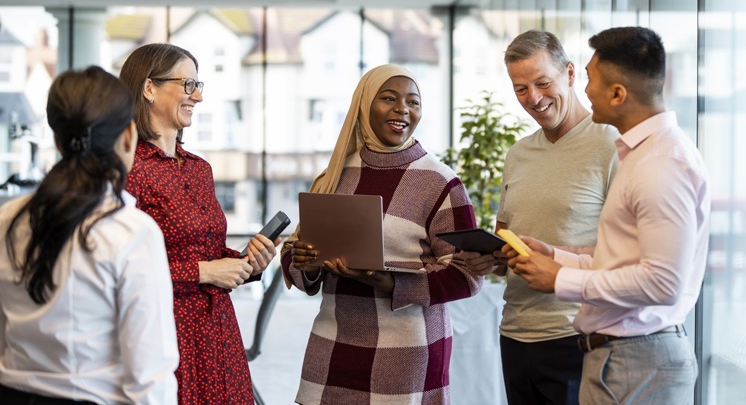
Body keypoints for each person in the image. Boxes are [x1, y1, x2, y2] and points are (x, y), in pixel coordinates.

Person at [507, 26, 710, 405]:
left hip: (637, 359)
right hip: (621, 357)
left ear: (618, 93)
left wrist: (563, 279)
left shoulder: (661, 164)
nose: (584, 91)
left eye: (590, 79)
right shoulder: (642, 155)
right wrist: (558, 258)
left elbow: (663, 284)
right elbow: (624, 260)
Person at [281, 64, 484, 404]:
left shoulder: (440, 182)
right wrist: (307, 263)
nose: (402, 108)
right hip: (332, 345)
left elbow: (468, 273)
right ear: (363, 105)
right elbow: (295, 259)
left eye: (413, 101)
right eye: (388, 98)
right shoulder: (334, 175)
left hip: (406, 353)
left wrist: (392, 284)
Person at [458, 30, 619, 405]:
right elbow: (507, 244)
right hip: (515, 334)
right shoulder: (518, 155)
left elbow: (626, 253)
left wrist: (555, 257)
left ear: (570, 73)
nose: (534, 98)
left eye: (543, 83)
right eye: (520, 89)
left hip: (577, 337)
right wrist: (488, 259)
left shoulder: (611, 144)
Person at [0, 66, 178, 404]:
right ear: (129, 135)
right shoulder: (131, 232)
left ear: (57, 140)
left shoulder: (7, 219)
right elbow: (150, 377)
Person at [119, 43, 278, 405]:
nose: (199, 97)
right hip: (166, 334)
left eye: (198, 85)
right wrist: (204, 272)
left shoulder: (198, 168)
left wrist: (246, 263)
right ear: (149, 88)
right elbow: (123, 272)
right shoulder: (130, 169)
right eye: (188, 85)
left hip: (218, 331)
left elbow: (209, 252)